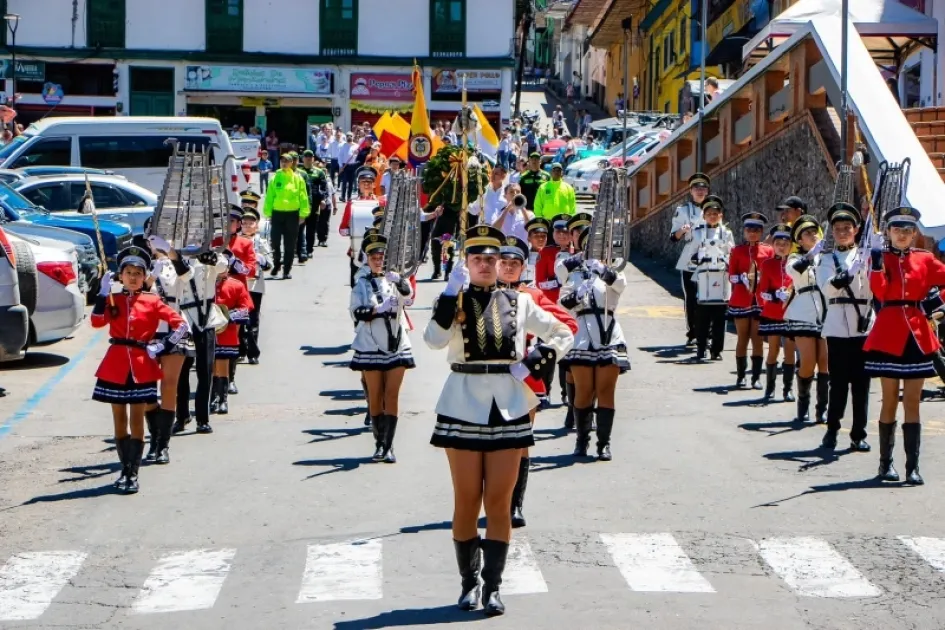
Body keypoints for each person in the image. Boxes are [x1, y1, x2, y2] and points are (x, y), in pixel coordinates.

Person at [423, 225, 573, 616]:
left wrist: (538, 359)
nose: (487, 265)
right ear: (467, 264)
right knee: (467, 500)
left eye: (492, 259)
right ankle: (468, 584)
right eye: (478, 259)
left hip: (508, 405)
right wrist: (444, 298)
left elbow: (562, 330)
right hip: (462, 403)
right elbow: (433, 341)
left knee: (500, 503)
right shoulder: (452, 301)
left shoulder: (519, 301)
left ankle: (493, 586)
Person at [91, 246, 188, 494]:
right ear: (120, 276)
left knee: (136, 420)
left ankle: (132, 474)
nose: (133, 277)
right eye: (128, 272)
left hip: (142, 364)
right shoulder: (115, 299)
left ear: (145, 276)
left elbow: (181, 325)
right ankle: (124, 469)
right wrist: (102, 295)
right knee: (118, 422)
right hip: (115, 364)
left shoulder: (152, 301)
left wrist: (163, 344)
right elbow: (96, 322)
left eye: (137, 273)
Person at [495, 234, 577, 525]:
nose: (507, 268)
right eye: (502, 262)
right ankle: (493, 500)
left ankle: (515, 504)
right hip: (486, 377)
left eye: (513, 263)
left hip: (522, 378)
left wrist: (536, 358)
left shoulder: (532, 296)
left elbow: (568, 324)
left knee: (519, 441)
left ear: (522, 268)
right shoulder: (478, 293)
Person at [865, 205, 945, 485]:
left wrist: (939, 304)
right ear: (887, 232)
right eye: (897, 229)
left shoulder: (925, 260)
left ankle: (913, 467)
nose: (903, 234)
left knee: (912, 402)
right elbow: (881, 292)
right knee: (889, 401)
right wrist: (876, 264)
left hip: (918, 335)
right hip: (888, 333)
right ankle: (885, 465)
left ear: (914, 235)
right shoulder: (879, 257)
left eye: (908, 230)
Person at [557, 227, 630, 460]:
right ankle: (581, 441)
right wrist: (578, 295)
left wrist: (604, 271)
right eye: (589, 248)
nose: (594, 253)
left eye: (598, 248)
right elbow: (563, 302)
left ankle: (604, 443)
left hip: (608, 332)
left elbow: (619, 286)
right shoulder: (575, 273)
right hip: (582, 334)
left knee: (606, 390)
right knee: (584, 391)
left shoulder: (614, 270)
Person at [349, 234, 416, 463]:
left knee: (392, 394)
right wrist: (378, 310)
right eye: (374, 257)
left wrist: (401, 283)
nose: (378, 260)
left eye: (382, 256)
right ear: (367, 259)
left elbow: (409, 298)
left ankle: (389, 446)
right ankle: (378, 443)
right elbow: (356, 312)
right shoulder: (362, 283)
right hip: (370, 343)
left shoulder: (396, 279)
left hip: (397, 341)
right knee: (375, 395)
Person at [817, 202, 872, 451]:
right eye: (838, 228)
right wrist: (846, 274)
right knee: (837, 382)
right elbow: (826, 287)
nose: (842, 232)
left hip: (863, 323)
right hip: (838, 324)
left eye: (847, 227)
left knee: (862, 383)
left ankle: (859, 433)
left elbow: (877, 284)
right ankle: (832, 430)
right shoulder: (826, 258)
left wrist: (877, 259)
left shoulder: (867, 255)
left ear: (856, 229)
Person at [142, 237, 193, 465]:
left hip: (174, 326)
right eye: (155, 240)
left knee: (169, 386)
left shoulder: (179, 264)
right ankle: (153, 439)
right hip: (148, 330)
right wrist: (150, 276)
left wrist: (171, 253)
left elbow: (187, 275)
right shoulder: (141, 266)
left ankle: (163, 445)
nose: (160, 245)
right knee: (147, 391)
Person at [785, 215, 829, 423]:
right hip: (804, 312)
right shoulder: (795, 258)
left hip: (826, 312)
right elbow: (794, 271)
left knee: (825, 363)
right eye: (807, 233)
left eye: (814, 231)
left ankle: (822, 409)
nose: (812, 235)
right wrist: (812, 254)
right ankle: (803, 404)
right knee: (808, 362)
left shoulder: (827, 257)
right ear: (799, 240)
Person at [727, 212, 773, 389]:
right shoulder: (737, 250)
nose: (752, 233)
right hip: (741, 299)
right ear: (744, 231)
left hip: (760, 301)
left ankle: (755, 377)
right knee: (742, 338)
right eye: (749, 229)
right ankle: (740, 376)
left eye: (756, 229)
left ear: (761, 232)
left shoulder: (768, 250)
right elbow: (731, 276)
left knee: (758, 340)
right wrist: (742, 278)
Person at [689, 198, 734, 361]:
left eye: (715, 213)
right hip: (704, 276)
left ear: (720, 215)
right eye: (709, 214)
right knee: (702, 317)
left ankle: (717, 349)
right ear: (704, 215)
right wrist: (699, 256)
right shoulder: (698, 232)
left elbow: (732, 253)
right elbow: (691, 256)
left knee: (719, 318)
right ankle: (701, 348)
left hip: (721, 276)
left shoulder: (727, 233)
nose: (712, 216)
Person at [757, 223, 797, 403]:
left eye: (786, 242)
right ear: (773, 244)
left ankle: (787, 389)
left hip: (791, 313)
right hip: (773, 311)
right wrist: (775, 295)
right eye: (778, 242)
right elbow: (762, 291)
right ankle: (770, 388)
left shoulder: (796, 264)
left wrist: (790, 295)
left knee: (790, 352)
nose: (782, 246)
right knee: (773, 349)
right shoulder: (767, 264)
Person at [211, 250, 254, 416]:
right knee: (211, 366)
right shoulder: (204, 285)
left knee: (222, 364)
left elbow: (246, 308)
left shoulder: (236, 285)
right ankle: (213, 398)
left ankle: (222, 399)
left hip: (226, 330)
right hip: (207, 330)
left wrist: (226, 317)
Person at [670, 173, 710, 346]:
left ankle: (708, 333)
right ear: (691, 191)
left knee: (710, 297)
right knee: (692, 297)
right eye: (697, 188)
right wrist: (682, 231)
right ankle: (693, 332)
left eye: (703, 188)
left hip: (710, 258)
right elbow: (673, 237)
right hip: (690, 259)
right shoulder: (683, 210)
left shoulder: (714, 209)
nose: (700, 191)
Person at [263, 154, 310, 280]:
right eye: (282, 161)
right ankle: (277, 263)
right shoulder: (275, 177)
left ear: (291, 163)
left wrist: (303, 214)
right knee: (275, 242)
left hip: (292, 215)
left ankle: (287, 270)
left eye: (287, 161)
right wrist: (268, 213)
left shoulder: (297, 178)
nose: (284, 163)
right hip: (277, 214)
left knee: (290, 244)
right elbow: (269, 196)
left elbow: (303, 197)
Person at [339, 167, 385, 285]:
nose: (366, 185)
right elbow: (342, 229)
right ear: (358, 184)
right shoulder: (352, 204)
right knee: (357, 286)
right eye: (363, 182)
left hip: (378, 252)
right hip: (357, 251)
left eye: (369, 182)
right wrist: (351, 229)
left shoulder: (381, 203)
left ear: (374, 184)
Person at [240, 206, 272, 365]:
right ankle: (240, 349)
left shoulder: (260, 242)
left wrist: (262, 259)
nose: (246, 225)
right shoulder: (234, 240)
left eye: (250, 223)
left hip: (255, 286)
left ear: (257, 225)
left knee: (252, 320)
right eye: (244, 222)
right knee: (238, 319)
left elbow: (269, 264)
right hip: (238, 286)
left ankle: (252, 352)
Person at [297, 150, 330, 262]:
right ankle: (301, 251)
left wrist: (323, 200)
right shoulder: (298, 172)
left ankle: (309, 250)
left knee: (311, 230)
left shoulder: (319, 172)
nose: (308, 159)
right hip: (301, 205)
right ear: (302, 159)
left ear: (313, 159)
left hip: (314, 205)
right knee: (299, 229)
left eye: (310, 157)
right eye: (306, 157)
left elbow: (324, 188)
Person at [522, 217, 549, 285]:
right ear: (529, 238)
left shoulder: (552, 256)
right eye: (536, 236)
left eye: (543, 236)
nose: (540, 239)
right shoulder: (523, 257)